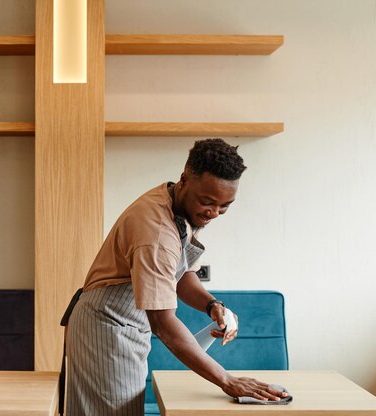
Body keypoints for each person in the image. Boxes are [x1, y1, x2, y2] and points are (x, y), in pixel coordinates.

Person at [62, 138, 289, 415]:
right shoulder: (156, 232)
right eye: (207, 202)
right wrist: (226, 380)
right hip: (106, 328)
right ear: (184, 180)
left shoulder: (178, 207)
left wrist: (211, 304)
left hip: (126, 326)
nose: (213, 213)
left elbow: (181, 275)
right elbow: (163, 322)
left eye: (224, 206)